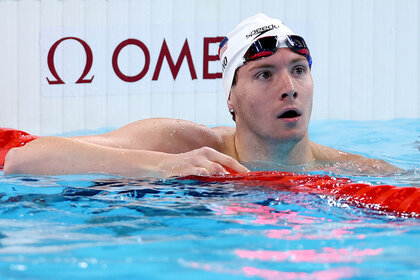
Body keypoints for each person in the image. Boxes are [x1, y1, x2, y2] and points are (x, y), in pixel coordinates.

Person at [3, 14, 400, 178]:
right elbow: (25, 158)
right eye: (264, 74)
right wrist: (163, 166)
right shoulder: (181, 142)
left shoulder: (354, 168)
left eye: (299, 69)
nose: (289, 87)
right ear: (231, 99)